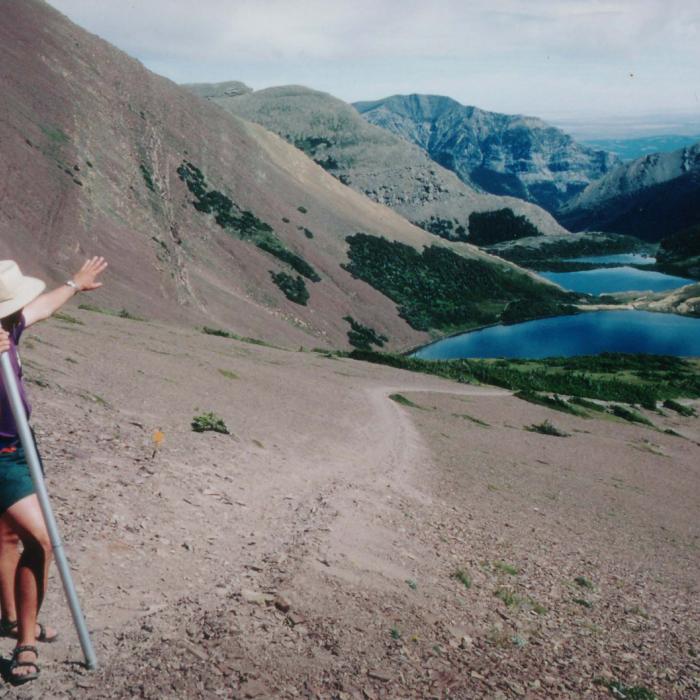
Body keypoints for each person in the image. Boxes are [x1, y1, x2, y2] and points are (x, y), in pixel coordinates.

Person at [0, 257, 107, 683]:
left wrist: (74, 284)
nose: (15, 313)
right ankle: (25, 641)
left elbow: (41, 308)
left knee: (8, 535)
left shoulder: (10, 325)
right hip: (2, 456)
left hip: (22, 449)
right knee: (40, 541)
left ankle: (9, 617)